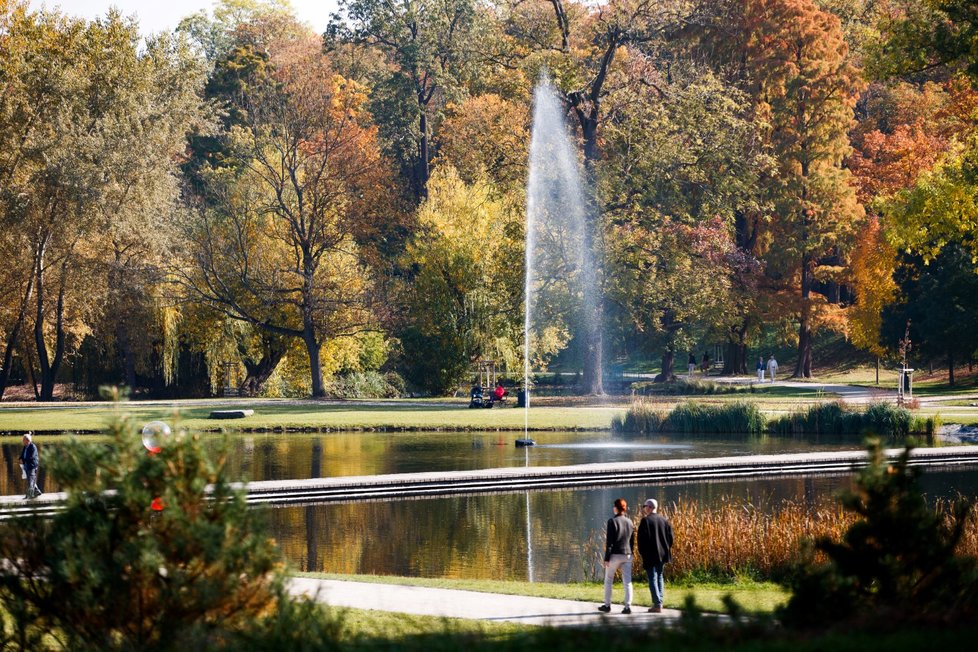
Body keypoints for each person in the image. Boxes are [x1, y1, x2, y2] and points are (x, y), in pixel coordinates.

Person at [598, 497, 634, 615]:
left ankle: (607, 605)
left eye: (614, 506)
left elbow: (610, 542)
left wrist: (607, 558)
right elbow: (632, 540)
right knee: (627, 582)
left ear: (616, 508)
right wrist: (631, 552)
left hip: (615, 555)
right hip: (627, 554)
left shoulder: (612, 522)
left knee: (608, 580)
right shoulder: (630, 522)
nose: (613, 508)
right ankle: (627, 607)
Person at [637, 498, 674, 613]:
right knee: (660, 577)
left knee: (652, 578)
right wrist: (666, 548)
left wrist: (642, 553)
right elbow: (671, 538)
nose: (644, 508)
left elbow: (641, 540)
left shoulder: (645, 521)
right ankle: (660, 602)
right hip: (662, 554)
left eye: (645, 506)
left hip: (650, 555)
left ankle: (657, 604)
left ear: (650, 507)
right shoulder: (664, 520)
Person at [19, 433, 41, 499]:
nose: (22, 441)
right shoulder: (25, 446)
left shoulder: (32, 447)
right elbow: (23, 455)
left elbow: (32, 457)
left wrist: (24, 460)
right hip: (26, 466)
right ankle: (37, 491)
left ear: (28, 440)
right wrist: (20, 459)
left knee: (31, 481)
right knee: (30, 480)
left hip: (32, 466)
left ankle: (28, 496)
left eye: (24, 440)